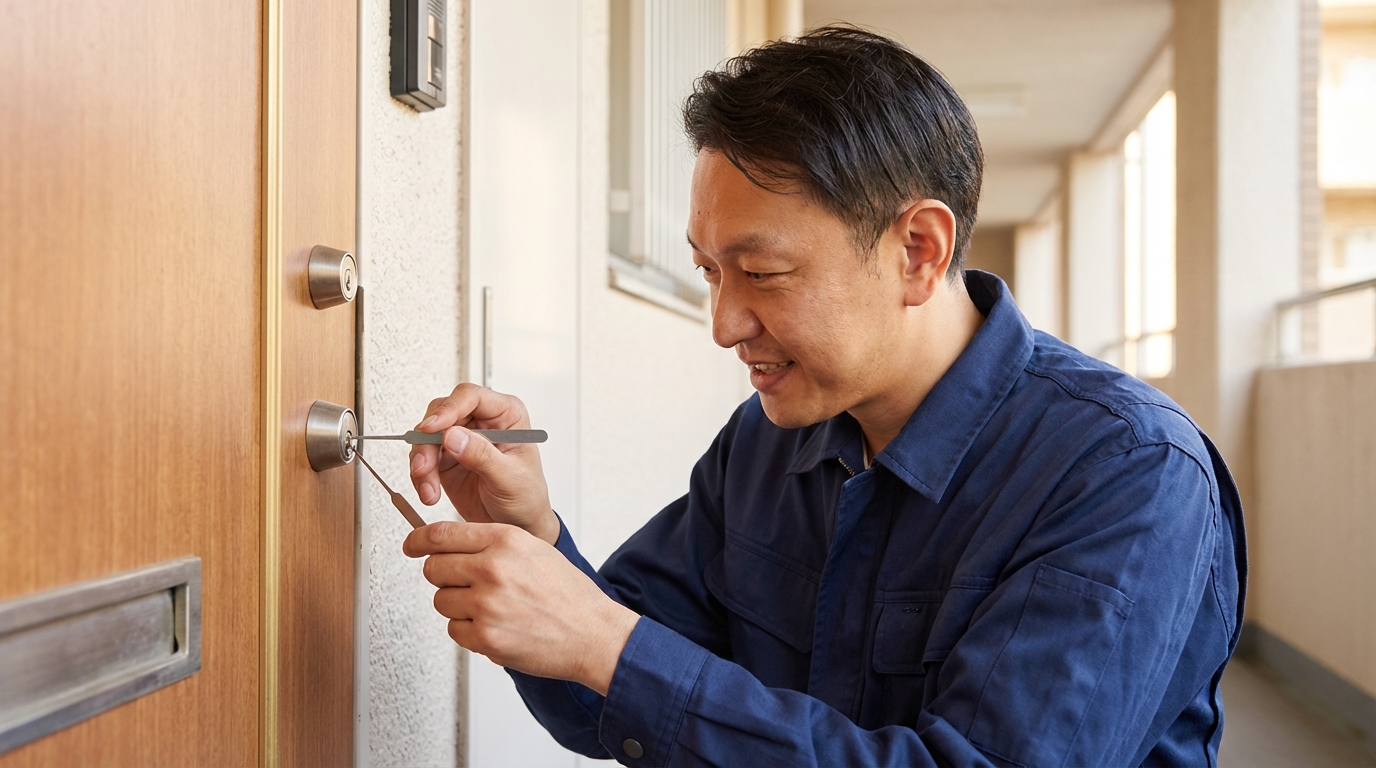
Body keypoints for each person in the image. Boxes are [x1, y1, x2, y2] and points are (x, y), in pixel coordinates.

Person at [402, 26, 1246, 767]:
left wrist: (611, 649)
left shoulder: (1129, 473)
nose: (724, 323)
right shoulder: (765, 446)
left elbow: (623, 659)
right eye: (708, 271)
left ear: (918, 248)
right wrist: (529, 538)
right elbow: (605, 703)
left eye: (762, 273)